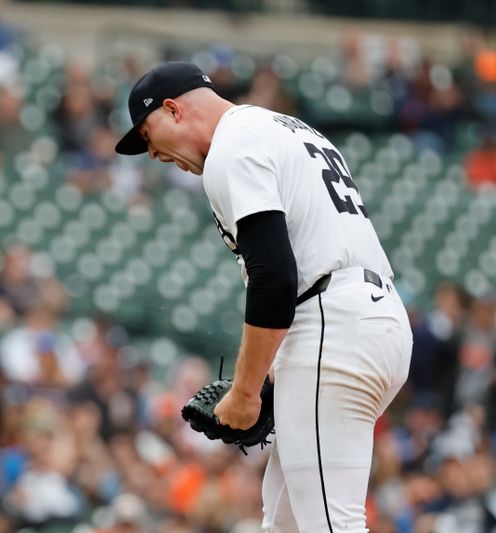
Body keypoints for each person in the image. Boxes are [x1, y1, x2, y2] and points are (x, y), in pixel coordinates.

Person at [114, 61, 413, 532]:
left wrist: (246, 393)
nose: (151, 155)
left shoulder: (232, 145)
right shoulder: (283, 129)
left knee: (330, 525)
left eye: (147, 137)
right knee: (286, 522)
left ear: (172, 109)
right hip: (372, 318)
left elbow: (274, 277)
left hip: (332, 325)